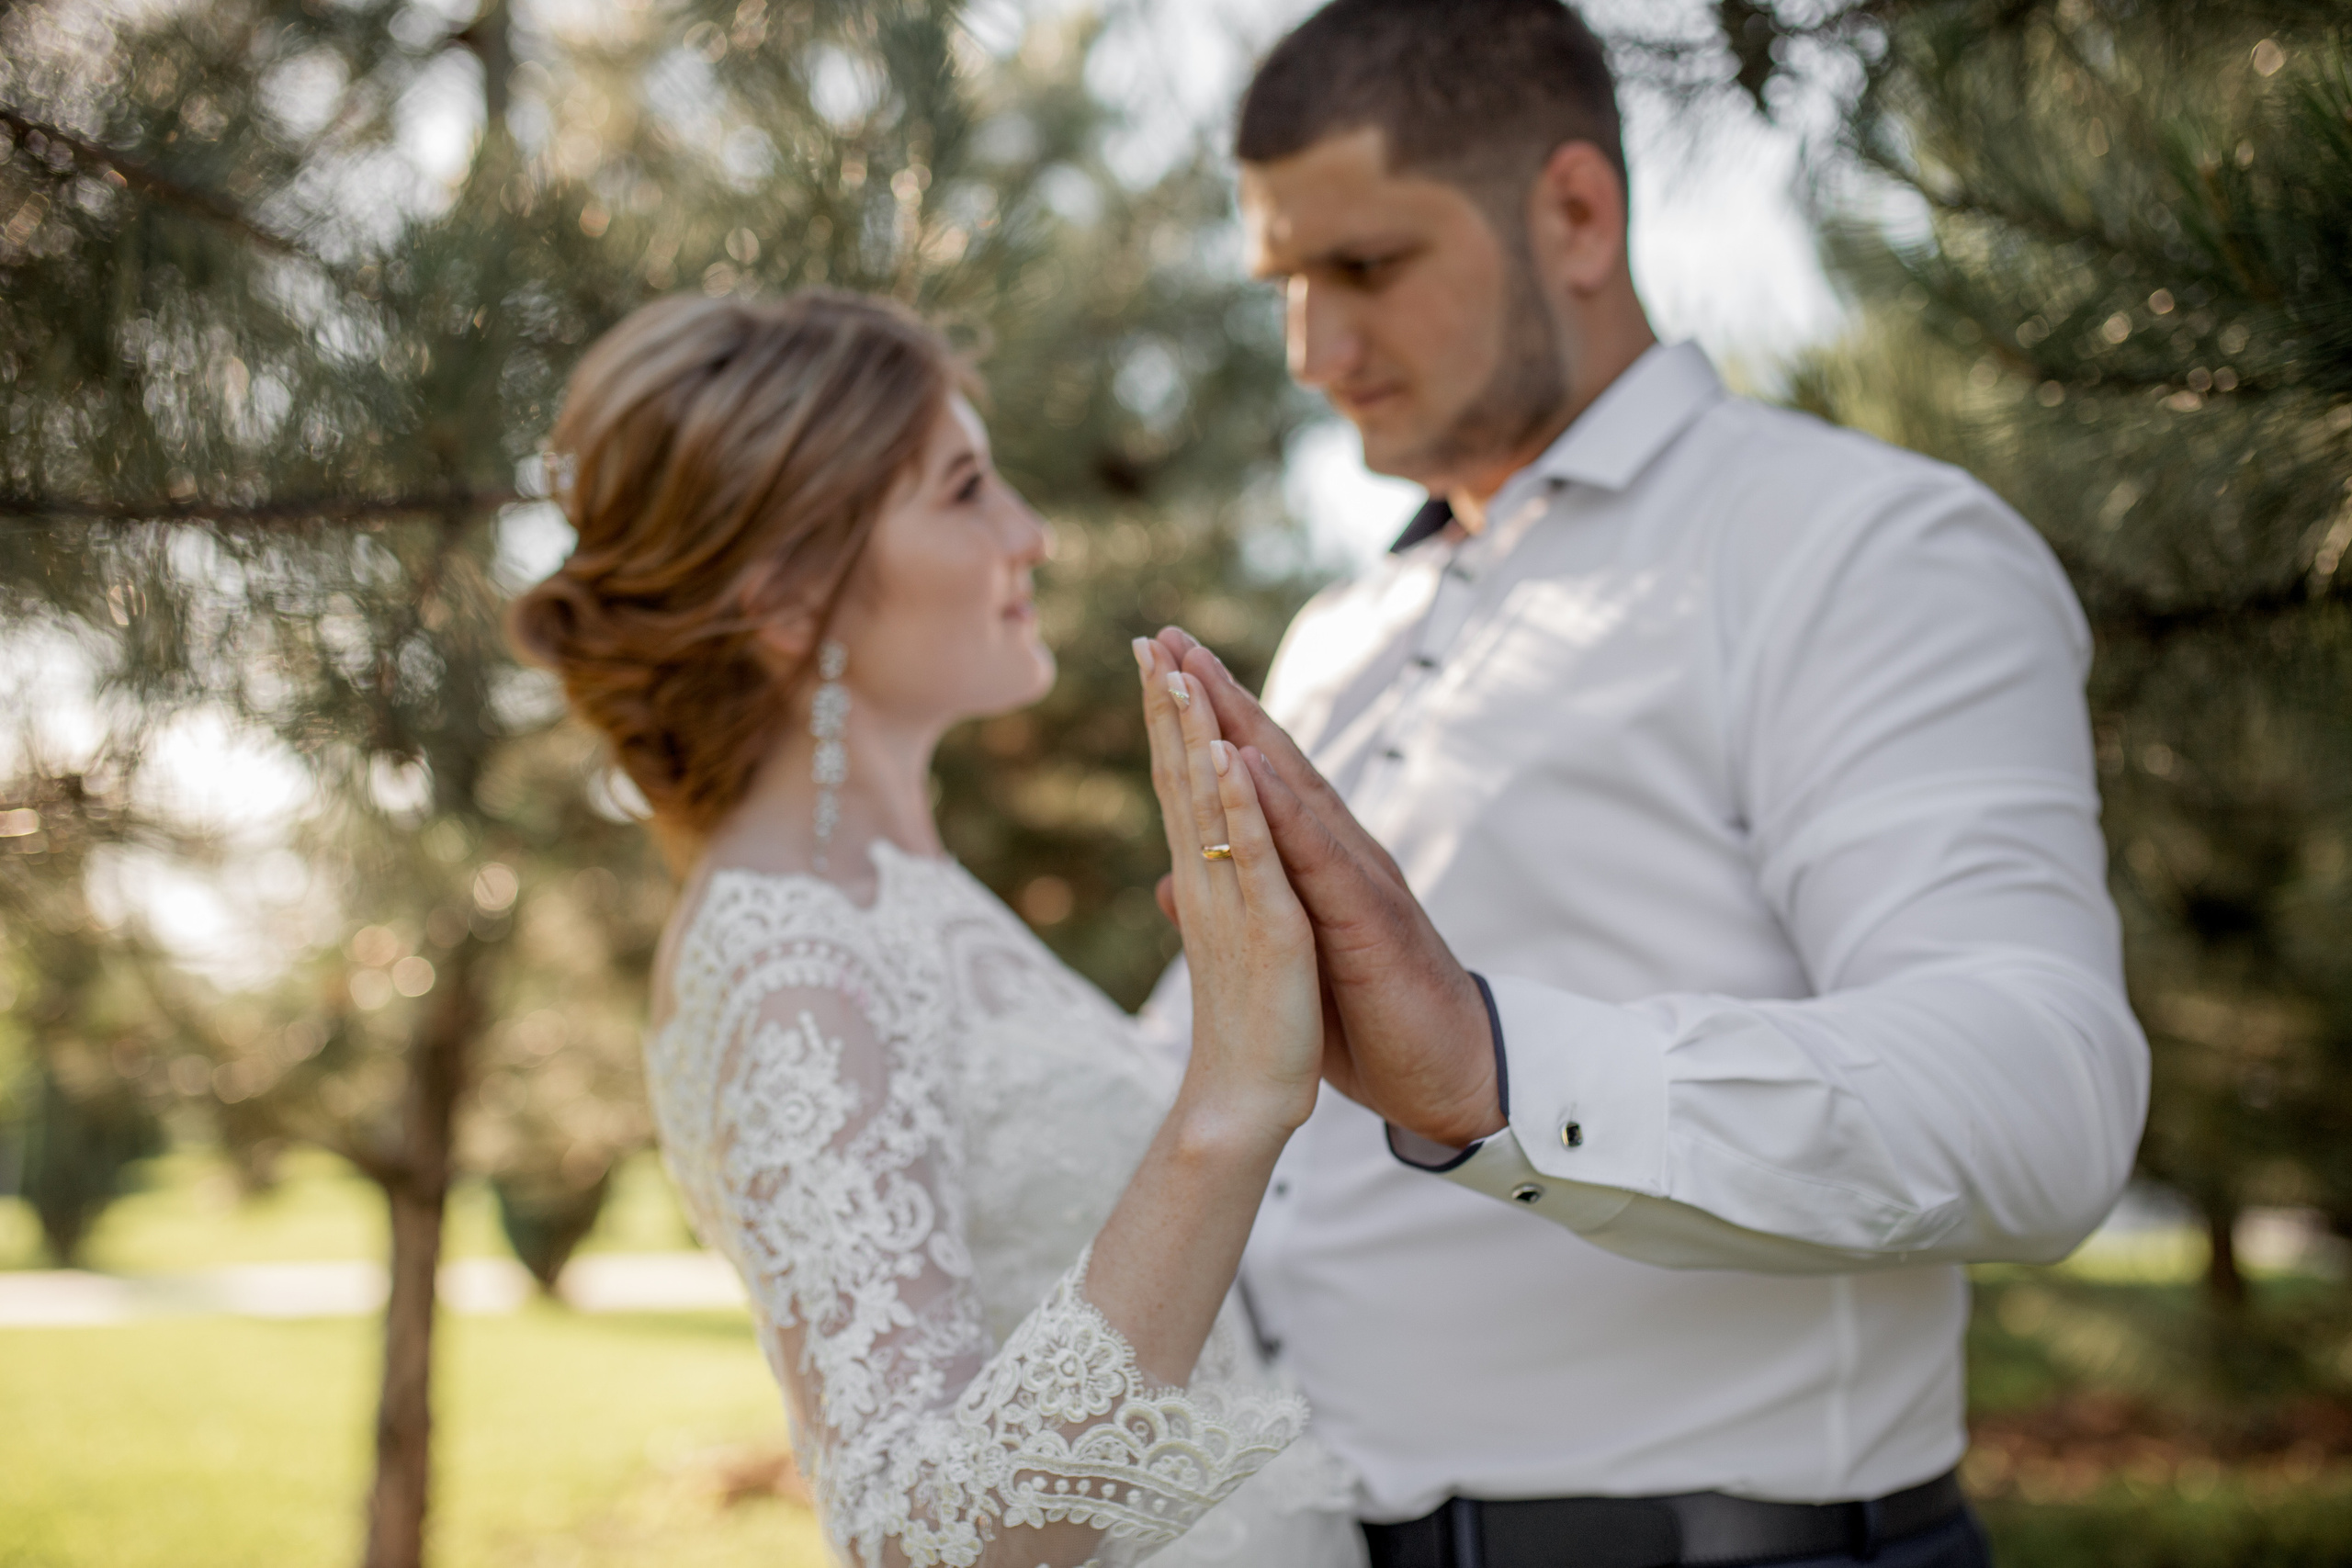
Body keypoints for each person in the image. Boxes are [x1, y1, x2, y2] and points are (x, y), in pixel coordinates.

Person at [1142, 2, 2152, 1565]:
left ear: (1577, 212)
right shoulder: (1342, 630)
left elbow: (2044, 1094)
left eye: (1365, 269)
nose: (1311, 353)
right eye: (1284, 282)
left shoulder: (1859, 546)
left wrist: (1487, 1066)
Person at [512, 291, 1366, 1568]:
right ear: (790, 594)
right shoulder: (783, 957)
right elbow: (924, 1542)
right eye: (965, 489)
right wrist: (1232, 1091)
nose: (1028, 533)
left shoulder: (908, 899)